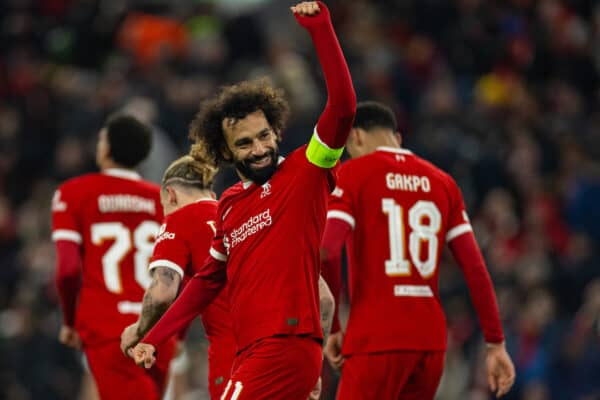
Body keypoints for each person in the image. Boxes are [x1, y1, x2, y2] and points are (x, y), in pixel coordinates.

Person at [130, 1, 355, 398]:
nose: (259, 148)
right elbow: (205, 283)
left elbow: (342, 108)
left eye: (264, 136)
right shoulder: (230, 204)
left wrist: (321, 29)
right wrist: (156, 337)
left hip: (285, 345)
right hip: (250, 351)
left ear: (277, 131)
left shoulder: (305, 170)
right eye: (245, 143)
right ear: (227, 153)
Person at [320, 101, 516, 399]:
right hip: (430, 343)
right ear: (397, 138)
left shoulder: (352, 175)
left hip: (376, 337)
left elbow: (328, 252)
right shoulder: (443, 182)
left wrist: (333, 326)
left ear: (355, 138)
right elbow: (475, 268)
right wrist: (495, 343)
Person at [52, 114, 176, 400]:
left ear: (105, 149)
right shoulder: (165, 201)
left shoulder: (73, 194)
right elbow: (183, 272)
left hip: (109, 330)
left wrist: (70, 321)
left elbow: (68, 270)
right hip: (159, 330)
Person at [119, 147, 237, 399]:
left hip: (235, 353)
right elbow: (320, 295)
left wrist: (139, 330)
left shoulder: (180, 219)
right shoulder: (241, 213)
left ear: (170, 195)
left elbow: (162, 293)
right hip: (286, 348)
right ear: (211, 193)